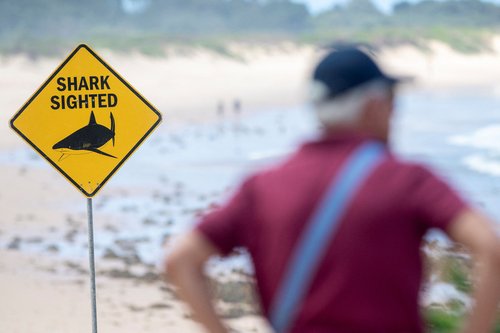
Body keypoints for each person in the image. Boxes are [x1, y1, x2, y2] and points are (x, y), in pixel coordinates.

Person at [163, 47, 500, 333]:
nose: (394, 113)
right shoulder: (407, 180)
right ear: (373, 106)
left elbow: (180, 259)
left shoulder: (262, 186)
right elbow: (488, 246)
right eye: (392, 101)